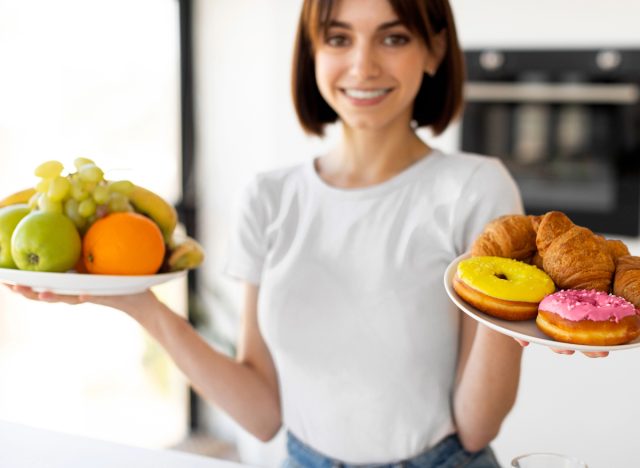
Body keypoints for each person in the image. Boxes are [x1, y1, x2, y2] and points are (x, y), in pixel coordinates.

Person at [6, 0, 606, 466]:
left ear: (433, 50)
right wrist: (143, 307)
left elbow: (477, 426)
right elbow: (263, 412)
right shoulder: (269, 197)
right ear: (312, 53)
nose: (363, 65)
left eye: (393, 37)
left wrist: (515, 315)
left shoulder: (476, 188)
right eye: (339, 38)